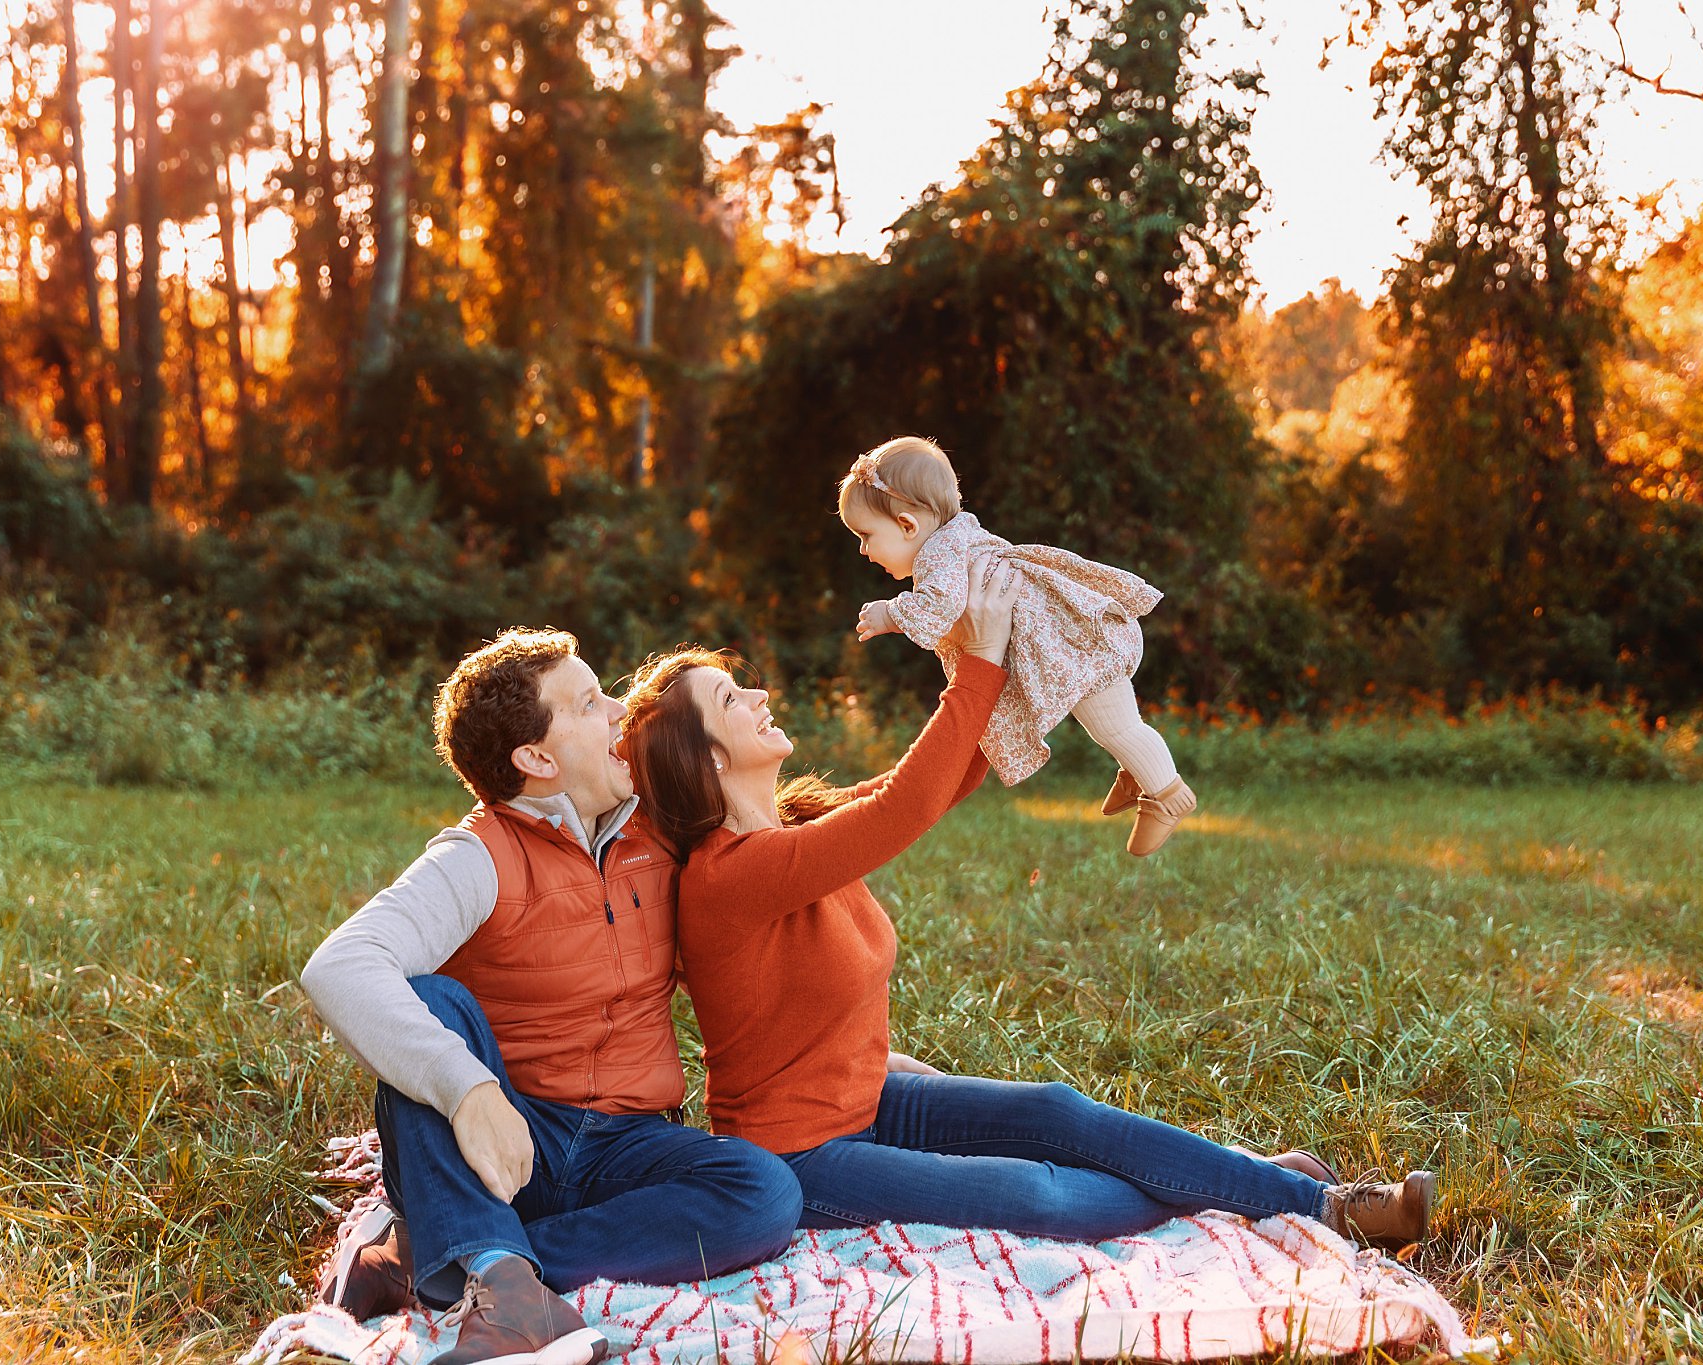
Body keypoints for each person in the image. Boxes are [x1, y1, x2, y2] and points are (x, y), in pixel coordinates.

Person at [617, 563, 1435, 1250]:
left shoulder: (793, 820)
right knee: (1042, 1198)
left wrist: (1008, 666)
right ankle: (1297, 1201)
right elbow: (901, 809)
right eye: (731, 699)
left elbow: (939, 784)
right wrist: (978, 669)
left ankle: (1266, 1185)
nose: (758, 694)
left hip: (872, 1097)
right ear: (709, 758)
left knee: (1056, 1111)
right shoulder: (728, 876)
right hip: (802, 1153)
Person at [300, 628, 803, 1365]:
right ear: (536, 759)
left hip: (629, 1147)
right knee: (432, 1002)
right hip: (509, 1143)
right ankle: (506, 1297)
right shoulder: (479, 854)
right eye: (592, 701)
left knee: (764, 1190)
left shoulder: (655, 838)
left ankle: (449, 1259)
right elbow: (340, 963)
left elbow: (745, 976)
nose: (621, 709)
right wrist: (469, 1088)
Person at [840, 435, 1191, 856]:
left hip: (1072, 646)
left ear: (907, 525)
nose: (863, 550)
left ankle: (1168, 796)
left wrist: (891, 615)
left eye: (865, 535)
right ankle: (1138, 770)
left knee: (1117, 727)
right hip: (1067, 643)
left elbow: (944, 604)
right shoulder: (957, 534)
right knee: (1113, 726)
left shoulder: (939, 556)